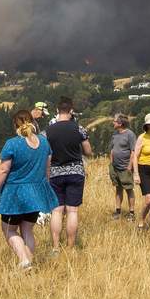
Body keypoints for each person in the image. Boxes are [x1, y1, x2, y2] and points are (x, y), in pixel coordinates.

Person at [0, 109, 57, 271]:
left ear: (15, 125)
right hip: (36, 192)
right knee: (27, 229)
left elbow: (3, 170)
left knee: (9, 229)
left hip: (14, 194)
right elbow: (47, 169)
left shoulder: (12, 144)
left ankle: (24, 261)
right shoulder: (44, 142)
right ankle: (29, 262)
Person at [45, 97, 92, 251]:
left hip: (55, 172)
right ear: (71, 111)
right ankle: (71, 247)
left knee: (57, 211)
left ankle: (56, 247)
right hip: (75, 171)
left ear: (58, 111)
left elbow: (46, 153)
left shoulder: (49, 131)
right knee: (72, 210)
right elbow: (88, 151)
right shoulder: (79, 128)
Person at [108, 114, 136, 219]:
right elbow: (112, 149)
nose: (113, 123)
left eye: (114, 121)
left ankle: (132, 213)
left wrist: (130, 166)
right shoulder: (114, 134)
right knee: (118, 189)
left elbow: (133, 151)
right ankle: (118, 211)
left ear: (120, 123)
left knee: (129, 189)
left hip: (125, 167)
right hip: (115, 167)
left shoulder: (130, 135)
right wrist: (111, 163)